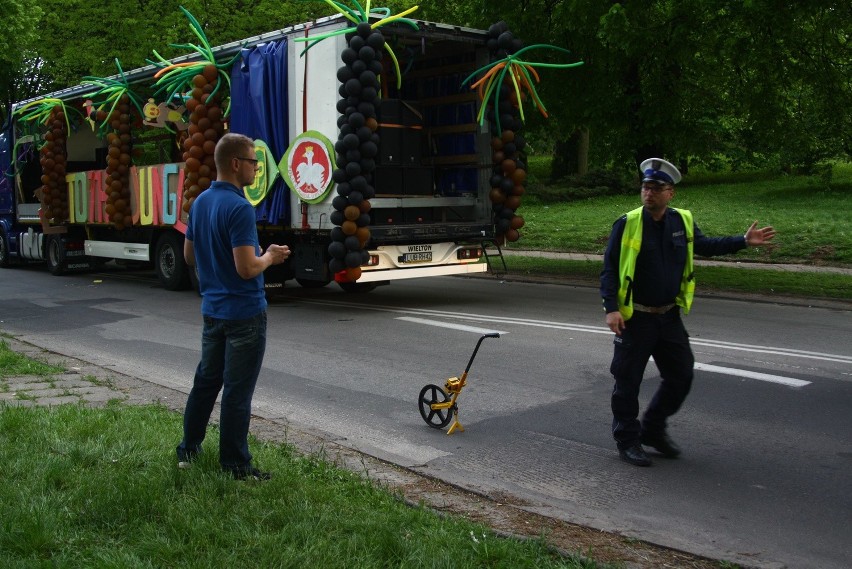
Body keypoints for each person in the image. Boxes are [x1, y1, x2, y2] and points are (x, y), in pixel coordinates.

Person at [600, 158, 776, 467]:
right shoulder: (627, 222)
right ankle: (628, 440)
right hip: (636, 318)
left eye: (656, 188)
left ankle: (652, 429)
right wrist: (611, 309)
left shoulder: (681, 221)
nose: (648, 193)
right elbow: (610, 269)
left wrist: (743, 242)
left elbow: (705, 245)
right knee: (627, 382)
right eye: (645, 187)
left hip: (668, 317)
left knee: (681, 375)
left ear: (671, 193)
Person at [176, 132, 290, 480]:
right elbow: (246, 268)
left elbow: (189, 256)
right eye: (254, 162)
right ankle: (236, 466)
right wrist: (269, 256)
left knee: (206, 384)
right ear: (236, 163)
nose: (257, 168)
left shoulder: (200, 203)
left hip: (212, 311)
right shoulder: (240, 208)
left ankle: (188, 451)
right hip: (244, 314)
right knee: (237, 394)